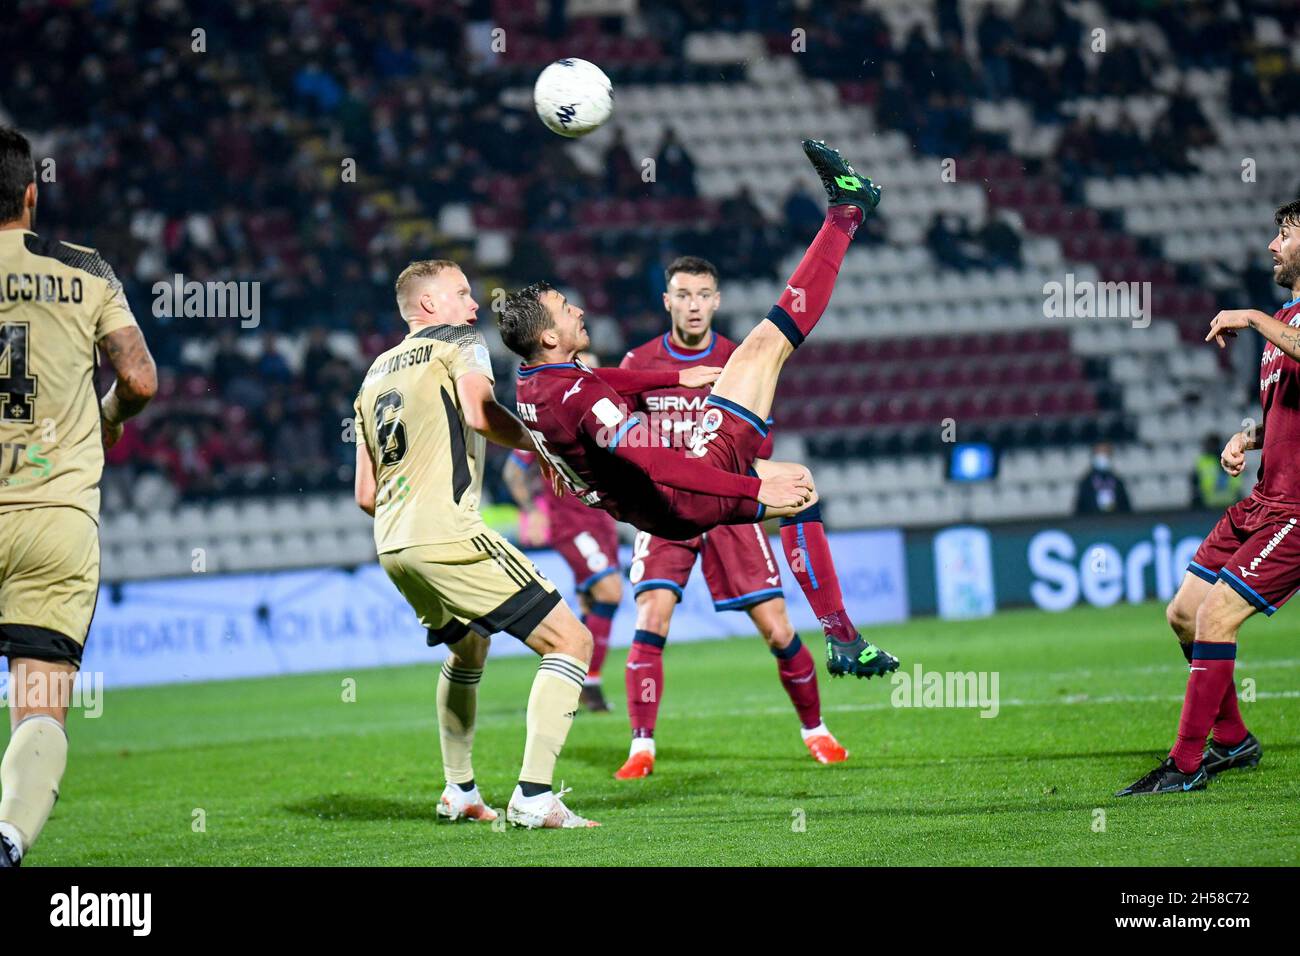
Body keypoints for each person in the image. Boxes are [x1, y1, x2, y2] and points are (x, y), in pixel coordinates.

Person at [500, 140, 900, 684]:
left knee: (800, 484)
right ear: (549, 335)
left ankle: (843, 637)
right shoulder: (580, 397)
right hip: (682, 494)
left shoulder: (534, 381)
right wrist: (754, 492)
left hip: (660, 507)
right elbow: (658, 465)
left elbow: (598, 381)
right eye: (565, 310)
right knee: (766, 343)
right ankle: (848, 211)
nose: (579, 308)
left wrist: (673, 377)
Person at [353, 258, 597, 828]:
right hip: (446, 533)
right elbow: (481, 413)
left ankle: (459, 791)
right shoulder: (459, 341)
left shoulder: (372, 376)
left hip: (392, 543)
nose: (474, 304)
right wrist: (543, 447)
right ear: (430, 306)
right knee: (570, 641)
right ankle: (534, 798)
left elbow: (366, 492)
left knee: (469, 650)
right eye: (462, 294)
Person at [612, 255, 849, 780]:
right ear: (667, 301)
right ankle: (641, 745)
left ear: (716, 301)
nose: (693, 305)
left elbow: (757, 443)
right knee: (651, 618)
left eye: (703, 294)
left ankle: (816, 729)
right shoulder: (637, 363)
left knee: (777, 628)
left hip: (728, 507)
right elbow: (621, 440)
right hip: (667, 508)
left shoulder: (740, 358)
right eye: (683, 294)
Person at [0, 126, 158, 865]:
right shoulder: (86, 272)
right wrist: (105, 421)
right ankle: (9, 836)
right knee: (40, 697)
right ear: (32, 194)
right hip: (56, 516)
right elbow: (140, 380)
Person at [1118, 198, 1300, 795]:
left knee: (1218, 617)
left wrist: (1248, 314)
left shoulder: (1274, 325)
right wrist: (1246, 436)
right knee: (1182, 615)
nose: (1273, 245)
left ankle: (1185, 765)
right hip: (1261, 500)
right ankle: (1233, 739)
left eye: (1285, 234)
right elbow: (1283, 412)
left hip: (1295, 513)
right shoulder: (1283, 323)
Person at [502, 352, 623, 713]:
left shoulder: (605, 415)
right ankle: (591, 683)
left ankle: (576, 679)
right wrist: (531, 512)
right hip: (572, 525)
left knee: (594, 603)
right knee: (611, 592)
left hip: (602, 522)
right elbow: (513, 472)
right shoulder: (548, 421)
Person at [1073, 442, 1132, 515]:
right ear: (1094, 455)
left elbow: (1126, 507)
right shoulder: (1086, 482)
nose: (1103, 456)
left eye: (1106, 452)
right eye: (1099, 452)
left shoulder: (1118, 481)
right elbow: (1079, 509)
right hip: (1093, 522)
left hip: (1116, 522)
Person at [1193, 434, 1243, 508]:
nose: (1208, 447)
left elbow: (1237, 484)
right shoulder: (1203, 461)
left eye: (1211, 445)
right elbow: (1196, 482)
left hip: (1229, 502)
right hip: (1209, 503)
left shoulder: (1232, 460)